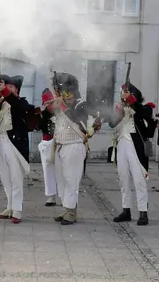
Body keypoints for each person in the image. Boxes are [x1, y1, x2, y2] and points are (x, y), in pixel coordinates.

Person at [52, 73, 101, 225]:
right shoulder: (63, 104)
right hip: (61, 145)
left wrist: (62, 105)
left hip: (74, 144)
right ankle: (67, 208)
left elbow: (78, 120)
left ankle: (71, 212)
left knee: (71, 180)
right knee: (62, 181)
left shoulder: (81, 104)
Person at [0, 75, 33, 223]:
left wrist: (5, 93)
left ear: (17, 89)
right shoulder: (2, 102)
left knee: (16, 178)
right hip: (2, 142)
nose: (7, 89)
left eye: (10, 87)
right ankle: (10, 207)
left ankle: (17, 211)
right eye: (6, 86)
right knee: (6, 178)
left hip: (15, 145)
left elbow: (21, 108)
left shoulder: (22, 102)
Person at [108, 83, 150, 225]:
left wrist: (132, 101)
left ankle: (143, 212)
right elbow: (112, 124)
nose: (123, 96)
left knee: (139, 180)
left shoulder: (143, 108)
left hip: (136, 148)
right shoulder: (121, 108)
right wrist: (117, 112)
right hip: (122, 145)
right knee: (123, 179)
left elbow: (145, 115)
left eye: (127, 94)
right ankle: (126, 210)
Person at [37, 88, 58, 206]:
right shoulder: (42, 115)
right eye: (48, 104)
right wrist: (42, 115)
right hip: (47, 143)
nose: (51, 106)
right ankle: (51, 196)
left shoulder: (61, 111)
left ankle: (64, 196)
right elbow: (38, 127)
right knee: (48, 171)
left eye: (51, 103)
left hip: (60, 143)